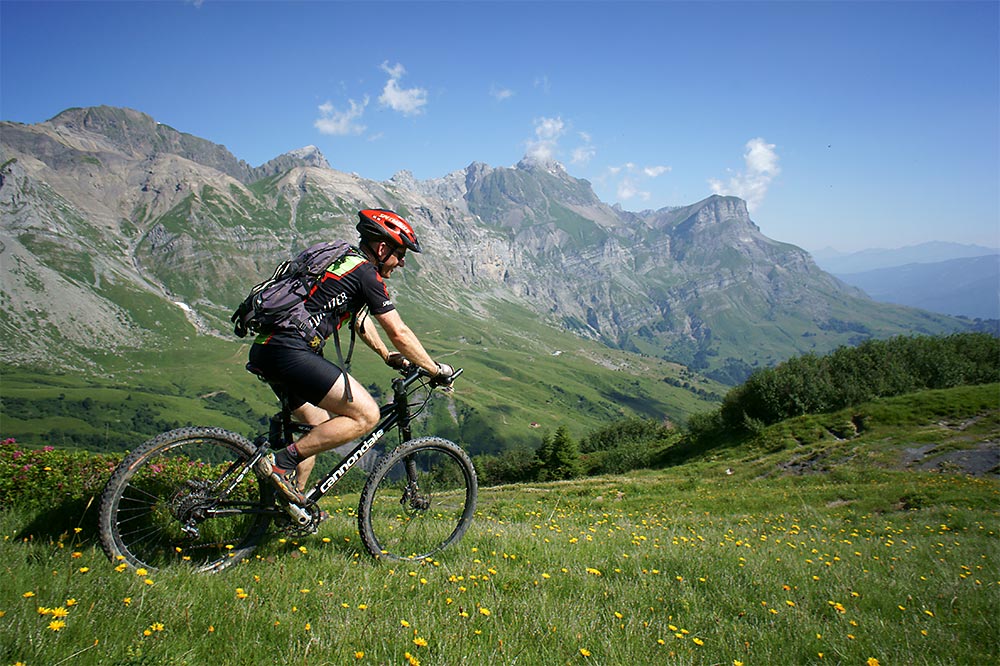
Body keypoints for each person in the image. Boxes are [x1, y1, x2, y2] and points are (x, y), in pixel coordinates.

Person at [249, 209, 454, 505]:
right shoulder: (366, 274)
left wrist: (386, 355)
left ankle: (288, 510)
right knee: (366, 415)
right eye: (400, 253)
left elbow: (358, 319)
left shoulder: (344, 261)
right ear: (382, 248)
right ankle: (280, 464)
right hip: (291, 351)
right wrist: (435, 370)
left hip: (269, 347)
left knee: (317, 429)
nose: (403, 261)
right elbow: (399, 332)